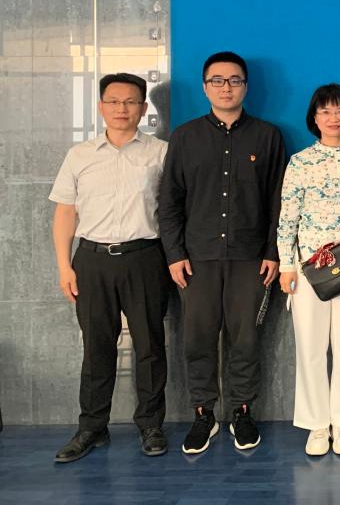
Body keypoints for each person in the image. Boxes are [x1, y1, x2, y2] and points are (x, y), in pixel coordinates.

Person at [158, 51, 287, 454]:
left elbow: (278, 202)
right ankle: (203, 414)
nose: (226, 88)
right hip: (196, 258)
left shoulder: (267, 136)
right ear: (205, 87)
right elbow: (169, 201)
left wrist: (273, 252)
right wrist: (174, 253)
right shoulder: (185, 137)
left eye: (234, 80)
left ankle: (242, 411)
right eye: (217, 80)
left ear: (246, 86)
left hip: (252, 258)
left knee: (245, 338)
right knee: (197, 338)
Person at [49, 73, 170, 462]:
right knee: (97, 346)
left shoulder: (161, 153)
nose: (122, 108)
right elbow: (65, 212)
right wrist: (64, 266)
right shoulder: (80, 155)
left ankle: (150, 425)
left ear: (143, 108)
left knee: (150, 345)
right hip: (92, 260)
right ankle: (92, 427)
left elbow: (173, 212)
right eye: (114, 101)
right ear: (101, 106)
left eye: (131, 101)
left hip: (145, 258)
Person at [277, 84, 340, 456]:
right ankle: (317, 424)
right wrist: (286, 265)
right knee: (311, 347)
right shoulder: (300, 162)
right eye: (325, 111)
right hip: (310, 267)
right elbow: (287, 216)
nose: (333, 118)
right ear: (314, 117)